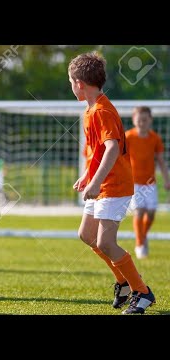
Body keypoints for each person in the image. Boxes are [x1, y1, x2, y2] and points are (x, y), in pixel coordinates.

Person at [69, 52, 155, 314]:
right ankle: (123, 282)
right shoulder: (90, 110)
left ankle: (142, 291)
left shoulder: (103, 110)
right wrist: (87, 176)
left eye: (71, 82)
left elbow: (112, 149)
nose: (71, 87)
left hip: (115, 185)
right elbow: (97, 152)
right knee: (87, 235)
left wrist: (95, 182)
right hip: (102, 184)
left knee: (106, 242)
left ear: (80, 83)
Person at [126, 106, 170, 259]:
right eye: (139, 120)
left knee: (150, 213)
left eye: (145, 120)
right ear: (134, 120)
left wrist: (166, 180)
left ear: (150, 120)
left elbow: (161, 161)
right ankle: (139, 244)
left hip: (150, 183)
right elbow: (120, 157)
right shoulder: (128, 137)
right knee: (139, 211)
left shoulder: (155, 138)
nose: (142, 123)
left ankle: (143, 236)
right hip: (133, 182)